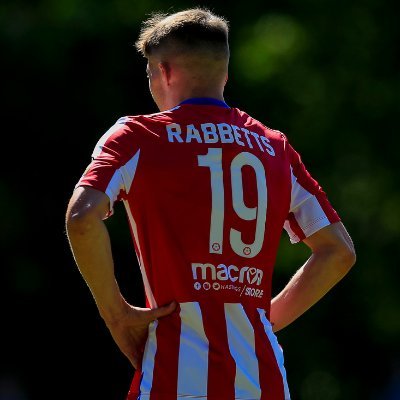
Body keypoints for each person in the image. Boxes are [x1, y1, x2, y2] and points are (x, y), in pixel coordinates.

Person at [65, 7, 356, 400]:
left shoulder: (137, 136)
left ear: (165, 72)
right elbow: (338, 252)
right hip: (264, 380)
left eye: (150, 71)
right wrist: (263, 321)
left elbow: (82, 218)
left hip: (176, 376)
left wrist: (116, 315)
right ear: (225, 72)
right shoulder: (274, 148)